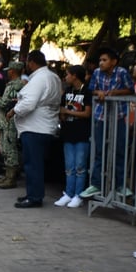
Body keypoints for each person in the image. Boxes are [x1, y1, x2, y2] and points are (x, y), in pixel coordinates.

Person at [80, 47, 135, 199]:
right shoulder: (97, 73)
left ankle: (120, 185)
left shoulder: (122, 73)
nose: (101, 63)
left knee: (120, 150)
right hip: (101, 116)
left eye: (104, 60)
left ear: (114, 62)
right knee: (99, 150)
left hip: (119, 116)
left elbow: (130, 89)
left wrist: (114, 93)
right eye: (100, 60)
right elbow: (91, 89)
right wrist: (99, 93)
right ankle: (96, 184)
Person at [10, 50, 62, 208]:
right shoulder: (53, 77)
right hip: (44, 124)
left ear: (31, 62)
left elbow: (29, 103)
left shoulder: (40, 78)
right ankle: (32, 193)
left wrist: (14, 110)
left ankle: (34, 197)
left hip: (35, 127)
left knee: (33, 164)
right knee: (34, 163)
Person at [55, 65, 92, 208]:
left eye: (68, 74)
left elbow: (87, 113)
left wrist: (68, 112)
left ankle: (78, 194)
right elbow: (62, 111)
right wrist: (63, 114)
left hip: (82, 134)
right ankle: (69, 193)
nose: (66, 77)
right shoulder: (67, 92)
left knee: (80, 166)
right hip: (68, 133)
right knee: (69, 166)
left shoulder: (87, 92)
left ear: (75, 75)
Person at [0, 61, 26, 189]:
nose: (7, 72)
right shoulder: (17, 85)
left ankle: (11, 178)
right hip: (7, 121)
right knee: (5, 149)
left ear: (12, 71)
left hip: (9, 121)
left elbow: (5, 103)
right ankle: (7, 176)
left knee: (10, 150)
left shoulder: (14, 86)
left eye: (9, 70)